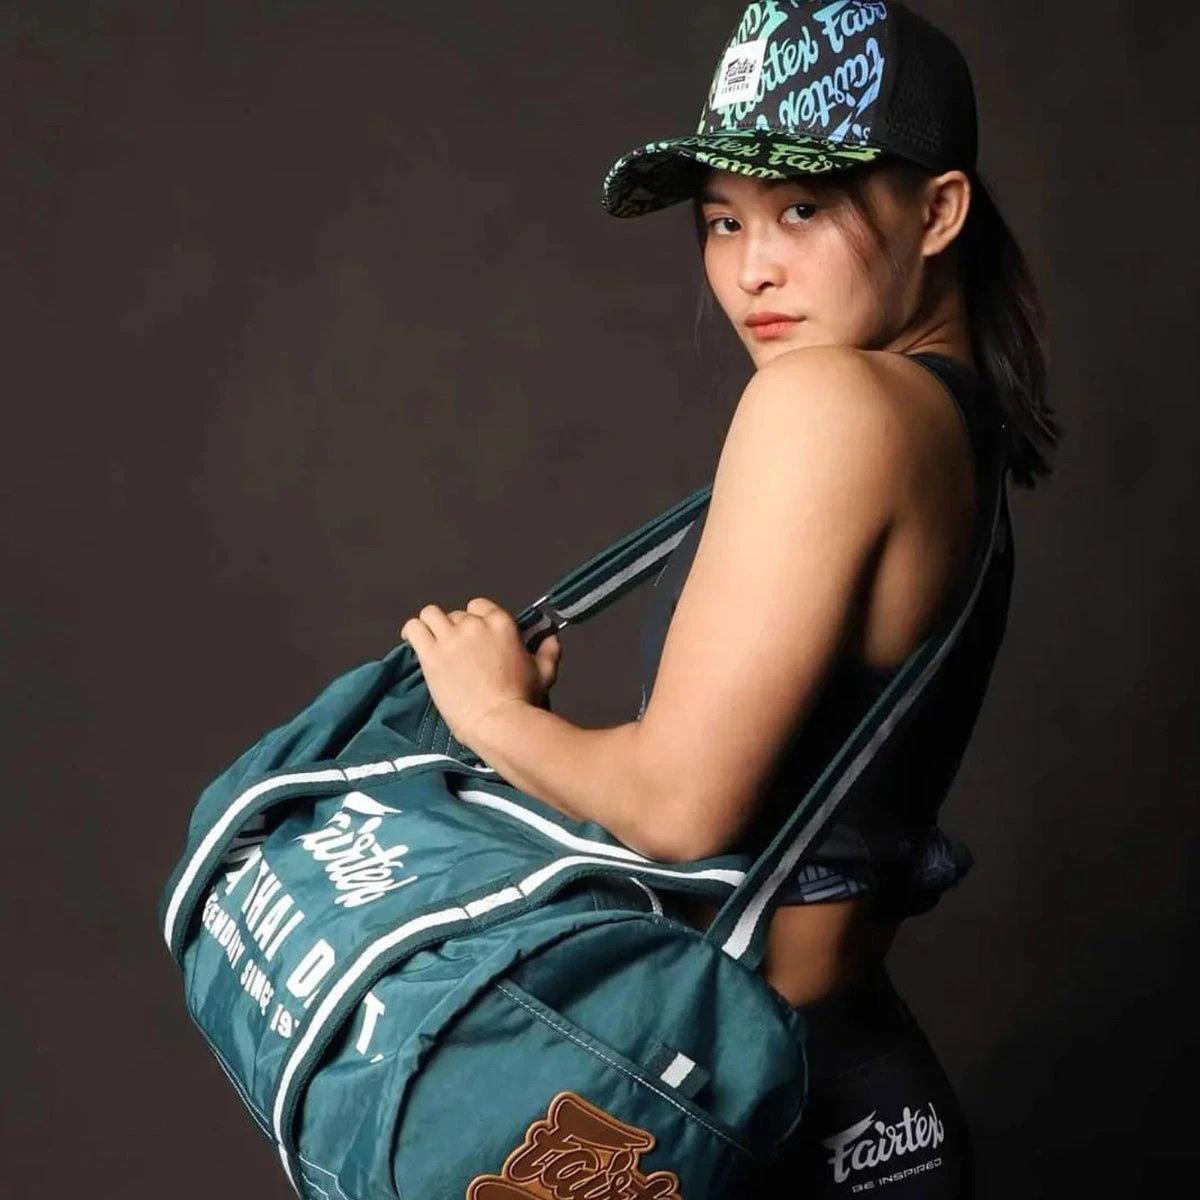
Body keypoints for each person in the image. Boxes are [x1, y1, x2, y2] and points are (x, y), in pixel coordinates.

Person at [399, 3, 1059, 1195]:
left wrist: (491, 714)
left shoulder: (827, 404)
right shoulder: (950, 429)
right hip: (853, 1099)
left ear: (939, 211)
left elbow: (679, 807)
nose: (751, 267)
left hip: (736, 1113)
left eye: (802, 209)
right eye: (723, 219)